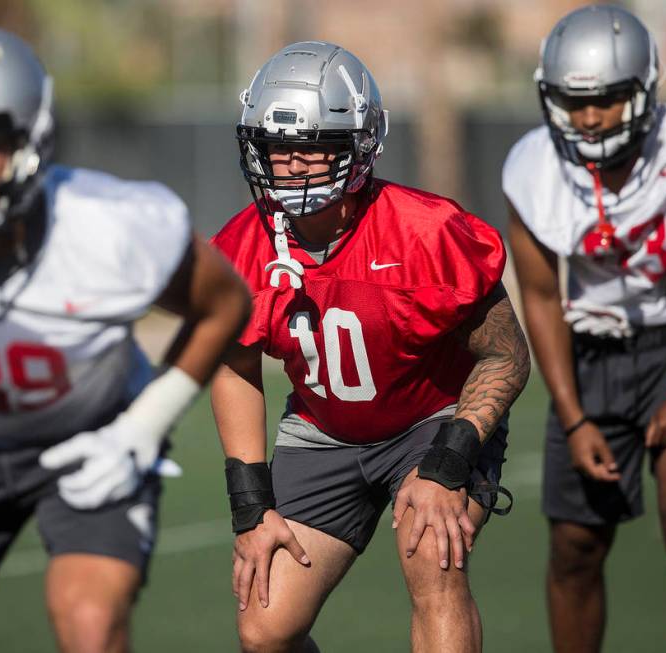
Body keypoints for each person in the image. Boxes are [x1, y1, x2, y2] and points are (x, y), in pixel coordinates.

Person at [0, 25, 250, 653]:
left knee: (89, 621)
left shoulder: (107, 227)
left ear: (31, 141)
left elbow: (225, 304)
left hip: (94, 436)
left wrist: (141, 428)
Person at [209, 41, 530, 653]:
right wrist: (250, 507)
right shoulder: (241, 247)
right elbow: (234, 366)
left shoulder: (426, 231)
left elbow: (506, 356)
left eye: (315, 148)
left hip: (430, 420)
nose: (295, 166)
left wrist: (449, 461)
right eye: (280, 148)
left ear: (358, 149)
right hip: (323, 429)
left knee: (433, 558)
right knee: (264, 627)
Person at [504, 5, 666, 653]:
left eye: (607, 99)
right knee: (576, 545)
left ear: (644, 88)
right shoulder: (532, 168)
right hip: (590, 354)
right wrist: (574, 416)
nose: (588, 117)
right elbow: (543, 299)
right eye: (573, 100)